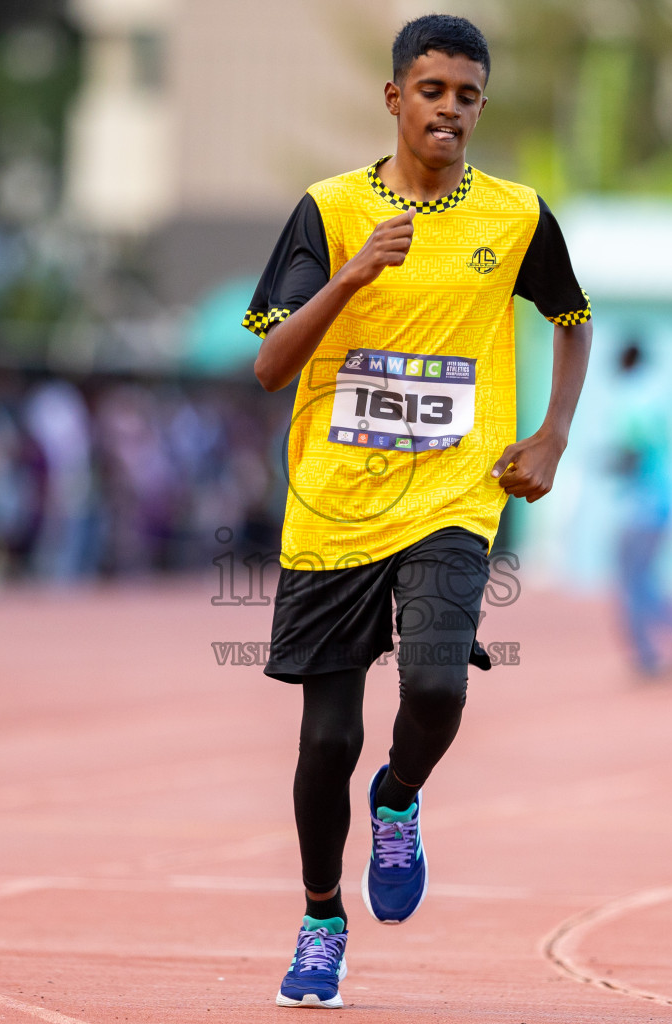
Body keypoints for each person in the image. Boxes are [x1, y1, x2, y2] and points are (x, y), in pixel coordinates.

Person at [243, 15, 592, 1009]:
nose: (450, 109)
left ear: (483, 105)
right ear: (395, 97)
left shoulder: (517, 216)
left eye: (467, 94)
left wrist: (554, 435)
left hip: (454, 497)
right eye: (431, 90)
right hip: (335, 507)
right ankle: (320, 918)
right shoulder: (332, 210)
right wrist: (353, 272)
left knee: (438, 686)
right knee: (324, 744)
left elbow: (571, 318)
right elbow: (270, 365)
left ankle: (398, 798)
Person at [610, 338, 672, 677]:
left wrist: (608, 463)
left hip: (640, 505)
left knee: (632, 583)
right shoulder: (661, 394)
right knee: (645, 580)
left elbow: (632, 451)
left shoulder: (632, 399)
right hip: (665, 500)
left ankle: (648, 656)